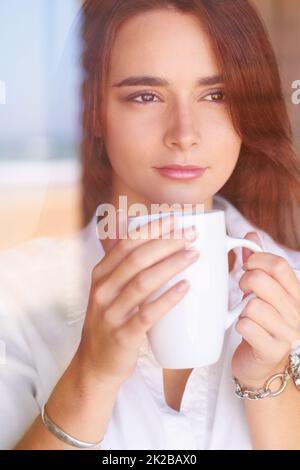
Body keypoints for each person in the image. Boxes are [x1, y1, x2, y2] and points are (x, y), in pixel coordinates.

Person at [1, 0, 300, 450]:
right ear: (93, 111)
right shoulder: (16, 294)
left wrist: (269, 379)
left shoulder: (290, 284)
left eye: (216, 95)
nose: (184, 132)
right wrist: (93, 375)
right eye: (145, 95)